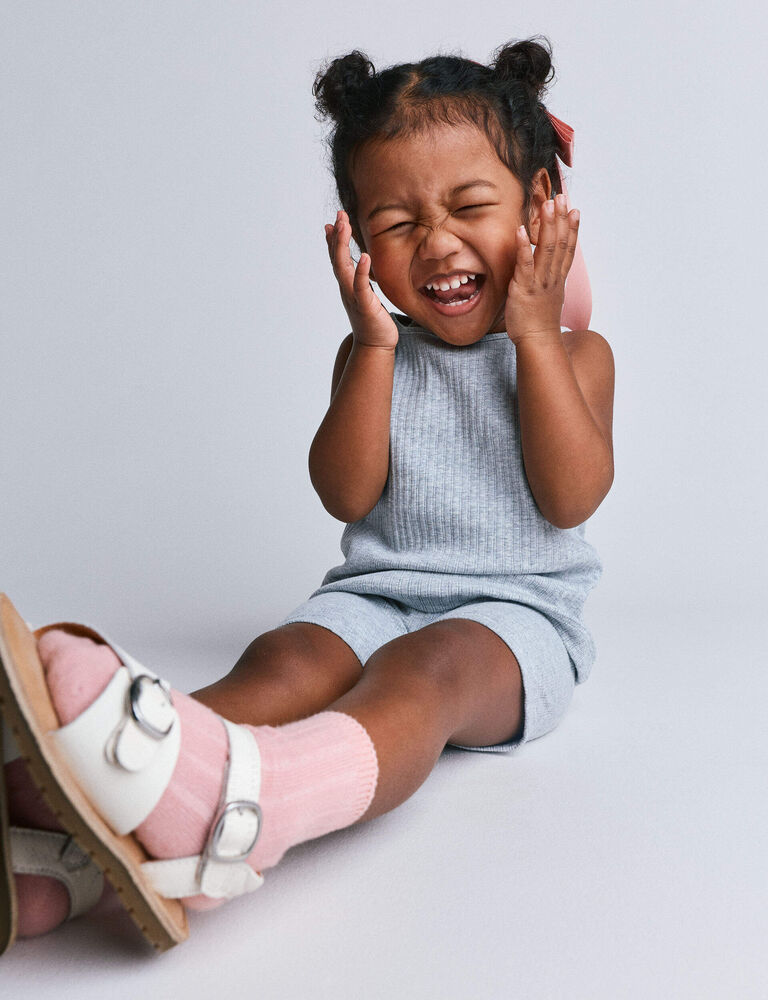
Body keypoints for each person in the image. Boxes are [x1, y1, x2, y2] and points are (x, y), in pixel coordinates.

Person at [0, 36, 615, 953]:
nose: (438, 242)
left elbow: (570, 498)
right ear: (360, 239)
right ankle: (75, 813)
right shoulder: (375, 352)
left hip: (513, 624)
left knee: (427, 672)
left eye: (469, 207)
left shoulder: (573, 357)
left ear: (538, 206)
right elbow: (346, 492)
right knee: (282, 661)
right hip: (373, 597)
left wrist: (533, 330)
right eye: (398, 223)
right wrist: (371, 351)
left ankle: (258, 801)